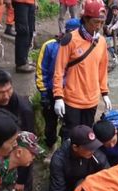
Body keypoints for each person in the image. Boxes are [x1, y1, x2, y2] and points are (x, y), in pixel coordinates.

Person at [53, 0, 112, 140]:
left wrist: (104, 93)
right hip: (72, 99)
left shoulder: (101, 42)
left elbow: (102, 69)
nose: (98, 26)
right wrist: (58, 97)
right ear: (85, 19)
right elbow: (59, 70)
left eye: (101, 22)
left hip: (92, 100)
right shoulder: (70, 39)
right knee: (70, 136)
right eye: (95, 22)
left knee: (87, 136)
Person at [35, 18, 82, 158]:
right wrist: (43, 93)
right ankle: (51, 146)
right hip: (51, 91)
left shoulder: (82, 47)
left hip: (71, 93)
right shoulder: (50, 46)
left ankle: (65, 151)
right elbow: (41, 70)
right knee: (50, 124)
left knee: (69, 125)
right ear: (65, 31)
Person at [12, 0, 36, 73]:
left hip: (31, 2)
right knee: (23, 31)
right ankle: (20, 63)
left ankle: (25, 59)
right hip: (20, 2)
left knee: (31, 31)